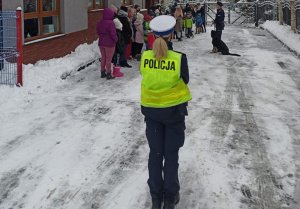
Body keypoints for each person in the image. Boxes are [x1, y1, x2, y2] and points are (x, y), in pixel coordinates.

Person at [140, 15, 192, 209]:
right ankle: (170, 197)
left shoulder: (145, 57)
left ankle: (156, 196)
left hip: (152, 113)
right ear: (172, 35)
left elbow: (147, 77)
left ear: (153, 35)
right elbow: (184, 80)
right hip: (173, 114)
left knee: (155, 154)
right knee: (171, 156)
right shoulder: (179, 58)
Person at [97, 8, 118, 80]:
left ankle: (102, 72)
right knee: (108, 59)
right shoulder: (111, 23)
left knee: (103, 58)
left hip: (101, 43)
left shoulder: (100, 22)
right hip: (109, 44)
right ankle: (109, 74)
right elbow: (113, 34)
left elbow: (98, 32)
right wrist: (116, 40)